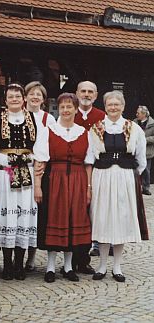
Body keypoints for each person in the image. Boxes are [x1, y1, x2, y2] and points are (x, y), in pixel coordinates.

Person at [89, 90, 149, 283]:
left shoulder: (133, 128)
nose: (113, 107)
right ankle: (102, 265)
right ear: (105, 107)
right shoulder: (96, 128)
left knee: (121, 217)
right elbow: (90, 156)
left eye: (117, 104)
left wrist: (129, 175)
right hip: (102, 177)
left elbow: (141, 160)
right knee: (103, 217)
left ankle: (117, 266)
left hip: (124, 177)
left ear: (123, 106)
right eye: (109, 105)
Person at [34, 93, 93, 283]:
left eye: (69, 107)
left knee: (73, 219)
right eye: (63, 107)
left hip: (78, 179)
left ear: (76, 109)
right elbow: (40, 161)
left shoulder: (84, 133)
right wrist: (37, 186)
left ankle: (68, 267)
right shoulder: (48, 130)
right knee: (55, 217)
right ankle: (50, 266)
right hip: (55, 179)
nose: (66, 110)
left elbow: (88, 163)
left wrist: (89, 188)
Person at [0, 83, 40, 281]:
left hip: (27, 171)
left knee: (24, 216)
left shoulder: (34, 118)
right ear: (5, 100)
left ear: (24, 99)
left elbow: (41, 146)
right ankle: (8, 264)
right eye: (10, 96)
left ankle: (20, 264)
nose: (14, 99)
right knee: (7, 216)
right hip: (6, 173)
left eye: (17, 97)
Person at [23, 81, 55, 272]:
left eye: (39, 95)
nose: (35, 97)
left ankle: (31, 257)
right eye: (32, 94)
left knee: (37, 214)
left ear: (43, 100)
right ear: (25, 96)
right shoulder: (17, 116)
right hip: (19, 169)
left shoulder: (47, 119)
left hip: (40, 169)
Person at [73, 80, 105, 270]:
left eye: (90, 91)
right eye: (83, 91)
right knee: (73, 213)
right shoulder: (69, 113)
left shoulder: (102, 116)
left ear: (96, 95)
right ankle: (70, 260)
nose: (86, 94)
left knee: (90, 214)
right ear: (77, 93)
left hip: (96, 171)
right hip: (74, 171)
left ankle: (84, 259)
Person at [135, 105, 154, 195]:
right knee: (136, 169)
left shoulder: (152, 124)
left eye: (138, 113)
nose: (136, 114)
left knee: (146, 170)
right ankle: (137, 187)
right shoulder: (134, 122)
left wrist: (144, 140)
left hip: (147, 151)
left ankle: (146, 188)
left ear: (144, 114)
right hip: (136, 151)